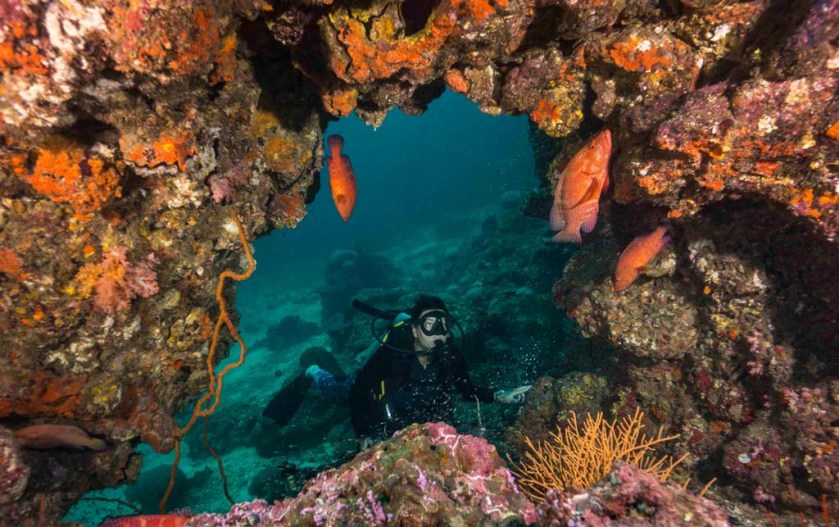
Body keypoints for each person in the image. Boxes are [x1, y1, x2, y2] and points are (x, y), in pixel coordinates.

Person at [303, 294, 532, 445]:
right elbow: (357, 394)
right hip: (370, 391)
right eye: (430, 326)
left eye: (444, 326)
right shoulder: (391, 356)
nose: (439, 334)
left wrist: (500, 396)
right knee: (338, 391)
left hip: (412, 413)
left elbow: (466, 389)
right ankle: (313, 370)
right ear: (414, 330)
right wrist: (362, 436)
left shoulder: (450, 356)